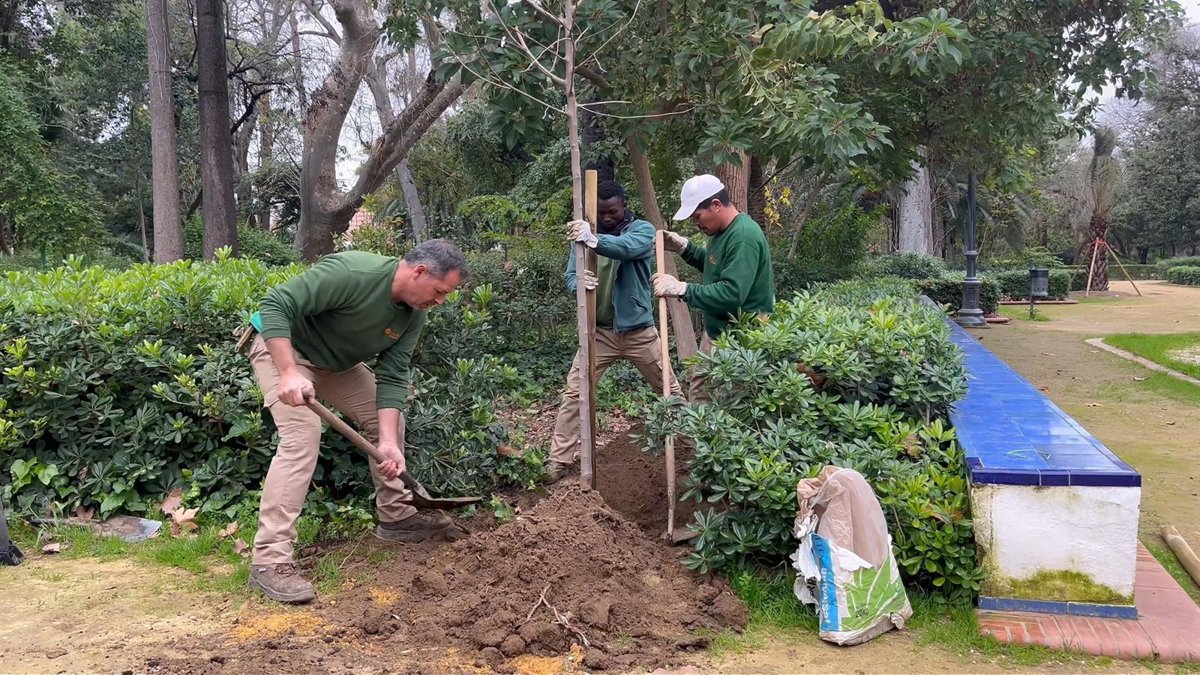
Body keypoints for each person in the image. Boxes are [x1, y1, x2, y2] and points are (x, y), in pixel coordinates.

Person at [243, 239, 468, 603]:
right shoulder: (353, 272)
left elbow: (393, 376)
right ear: (419, 272)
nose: (440, 301)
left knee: (388, 423)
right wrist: (287, 372)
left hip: (335, 364)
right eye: (440, 291)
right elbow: (275, 304)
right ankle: (270, 560)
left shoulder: (413, 315)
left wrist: (389, 443)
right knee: (302, 435)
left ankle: (397, 516)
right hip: (283, 349)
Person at [547, 180, 683, 482]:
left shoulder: (642, 231)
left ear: (624, 206)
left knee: (669, 390)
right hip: (599, 334)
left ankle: (692, 449)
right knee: (575, 393)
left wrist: (593, 239)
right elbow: (571, 274)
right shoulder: (582, 236)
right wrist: (578, 283)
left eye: (613, 211)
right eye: (602, 212)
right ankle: (558, 460)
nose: (608, 217)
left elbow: (627, 248)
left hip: (639, 332)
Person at [652, 174, 774, 399]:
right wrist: (686, 249)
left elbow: (732, 293)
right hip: (716, 333)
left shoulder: (743, 236)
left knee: (729, 406)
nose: (696, 224)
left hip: (739, 341)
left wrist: (683, 289)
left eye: (697, 216)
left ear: (716, 205)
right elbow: (715, 266)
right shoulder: (721, 231)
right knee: (700, 397)